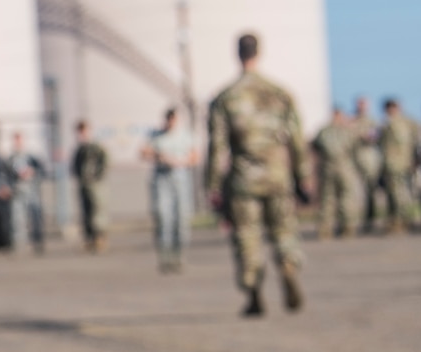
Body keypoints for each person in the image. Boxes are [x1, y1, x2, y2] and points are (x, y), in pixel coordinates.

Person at [206, 32, 310, 317]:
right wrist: (303, 177)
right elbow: (297, 141)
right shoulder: (279, 93)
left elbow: (217, 147)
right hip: (278, 176)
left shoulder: (225, 98)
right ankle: (288, 264)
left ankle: (253, 292)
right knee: (284, 230)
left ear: (237, 54)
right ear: (259, 53)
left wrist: (212, 185)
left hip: (243, 180)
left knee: (247, 236)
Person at [141, 106, 197, 272]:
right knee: (163, 216)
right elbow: (143, 152)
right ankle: (165, 256)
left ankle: (179, 256)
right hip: (162, 179)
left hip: (180, 178)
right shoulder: (156, 135)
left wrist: (180, 161)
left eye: (173, 119)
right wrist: (159, 156)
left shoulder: (185, 136)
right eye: (168, 119)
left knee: (181, 217)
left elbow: (195, 156)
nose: (170, 122)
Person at [310, 105, 361, 238]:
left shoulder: (323, 131)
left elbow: (315, 146)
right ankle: (348, 228)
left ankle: (325, 230)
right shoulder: (348, 131)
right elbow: (356, 148)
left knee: (328, 199)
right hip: (345, 168)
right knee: (346, 198)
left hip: (328, 169)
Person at [379, 98, 421, 232]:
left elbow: (417, 141)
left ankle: (401, 220)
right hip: (393, 164)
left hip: (400, 164)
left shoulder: (405, 123)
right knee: (395, 193)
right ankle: (398, 219)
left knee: (400, 193)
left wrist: (415, 159)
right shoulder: (387, 124)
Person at [5, 131, 47, 255]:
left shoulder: (31, 157)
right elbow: (6, 175)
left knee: (35, 218)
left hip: (32, 192)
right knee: (17, 219)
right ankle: (20, 243)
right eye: (16, 140)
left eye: (19, 140)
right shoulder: (10, 159)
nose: (17, 143)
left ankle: (37, 242)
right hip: (18, 192)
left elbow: (42, 172)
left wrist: (32, 172)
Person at [72, 121, 109, 252]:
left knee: (97, 211)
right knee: (86, 211)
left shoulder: (96, 147)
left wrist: (96, 177)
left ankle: (99, 237)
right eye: (80, 131)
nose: (82, 134)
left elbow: (105, 163)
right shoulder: (80, 149)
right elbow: (75, 166)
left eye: (84, 131)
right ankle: (90, 238)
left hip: (96, 185)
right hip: (84, 184)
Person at [351, 95, 384, 231]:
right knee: (355, 193)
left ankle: (370, 221)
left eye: (364, 104)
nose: (362, 107)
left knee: (371, 192)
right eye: (360, 104)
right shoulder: (351, 121)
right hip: (355, 161)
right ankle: (352, 222)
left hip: (371, 162)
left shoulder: (373, 121)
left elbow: (377, 136)